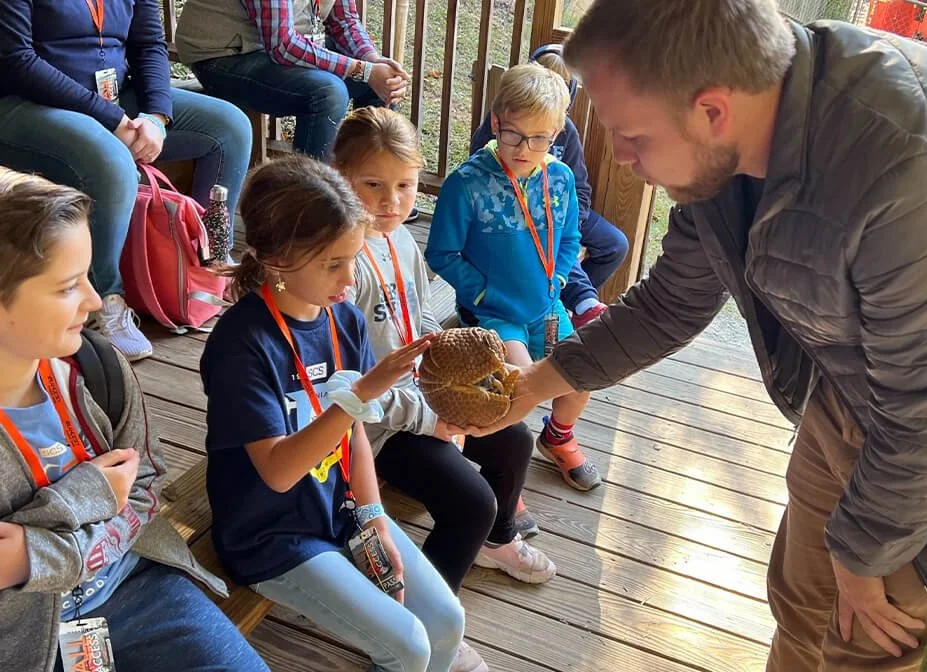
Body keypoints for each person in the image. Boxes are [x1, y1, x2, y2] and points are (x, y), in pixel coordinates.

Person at [452, 2, 927, 672]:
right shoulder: (730, 142)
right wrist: (535, 384)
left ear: (711, 110)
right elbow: (671, 303)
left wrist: (866, 554)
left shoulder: (904, 170)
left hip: (924, 451)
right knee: (803, 602)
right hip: (846, 391)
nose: (623, 160)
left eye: (633, 137)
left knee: (862, 654)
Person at [0, 168, 281, 672]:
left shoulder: (96, 366)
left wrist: (38, 553)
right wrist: (94, 493)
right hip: (21, 632)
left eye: (88, 277)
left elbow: (145, 487)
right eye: (67, 286)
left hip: (125, 586)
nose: (96, 301)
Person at [200, 155, 470, 672]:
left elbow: (355, 438)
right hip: (272, 534)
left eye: (354, 259)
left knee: (446, 622)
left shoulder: (342, 318)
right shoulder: (240, 344)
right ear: (277, 259)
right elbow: (278, 472)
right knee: (406, 649)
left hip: (338, 507)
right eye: (334, 264)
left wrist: (374, 519)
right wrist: (358, 395)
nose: (350, 280)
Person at [335, 107, 557, 672]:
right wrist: (431, 418)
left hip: (421, 400)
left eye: (405, 186)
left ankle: (497, 541)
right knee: (470, 501)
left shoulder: (401, 241)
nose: (391, 201)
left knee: (514, 439)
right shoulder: (340, 266)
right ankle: (427, 623)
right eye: (373, 185)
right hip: (373, 431)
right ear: (340, 177)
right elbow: (347, 390)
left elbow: (417, 326)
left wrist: (455, 371)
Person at [0, 0, 252, 362]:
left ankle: (209, 262)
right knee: (112, 160)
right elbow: (16, 60)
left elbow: (148, 43)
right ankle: (104, 299)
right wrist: (113, 119)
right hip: (26, 102)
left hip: (114, 97)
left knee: (229, 127)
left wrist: (157, 116)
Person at [427, 63, 600, 499]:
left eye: (540, 138)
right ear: (496, 123)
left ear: (557, 132)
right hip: (495, 313)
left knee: (582, 377)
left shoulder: (560, 178)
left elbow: (571, 238)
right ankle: (504, 473)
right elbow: (441, 253)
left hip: (546, 306)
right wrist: (483, 291)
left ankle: (557, 436)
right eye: (514, 135)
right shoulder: (466, 184)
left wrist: (558, 278)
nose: (525, 149)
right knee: (517, 387)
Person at [469, 44, 628, 329]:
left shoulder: (566, 131)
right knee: (542, 238)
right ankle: (580, 302)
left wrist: (570, 223)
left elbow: (580, 188)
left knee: (615, 244)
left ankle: (566, 302)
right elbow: (478, 175)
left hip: (562, 209)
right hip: (513, 210)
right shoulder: (502, 123)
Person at [175, 0, 408, 162]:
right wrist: (363, 70)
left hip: (275, 46)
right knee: (329, 93)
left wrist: (372, 60)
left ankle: (372, 188)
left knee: (383, 82)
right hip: (222, 55)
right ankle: (309, 203)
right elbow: (283, 45)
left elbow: (344, 20)